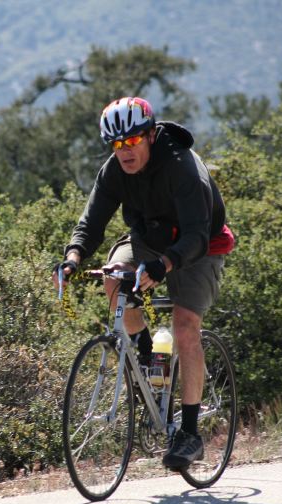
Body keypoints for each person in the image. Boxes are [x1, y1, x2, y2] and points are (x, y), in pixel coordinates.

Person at [54, 96, 234, 470]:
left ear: (151, 135)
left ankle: (188, 434)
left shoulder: (182, 167)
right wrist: (72, 258)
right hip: (150, 238)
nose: (124, 151)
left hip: (199, 244)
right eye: (116, 144)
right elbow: (91, 223)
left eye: (132, 141)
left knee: (186, 326)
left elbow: (197, 235)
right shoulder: (115, 171)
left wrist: (163, 264)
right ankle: (150, 359)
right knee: (113, 278)